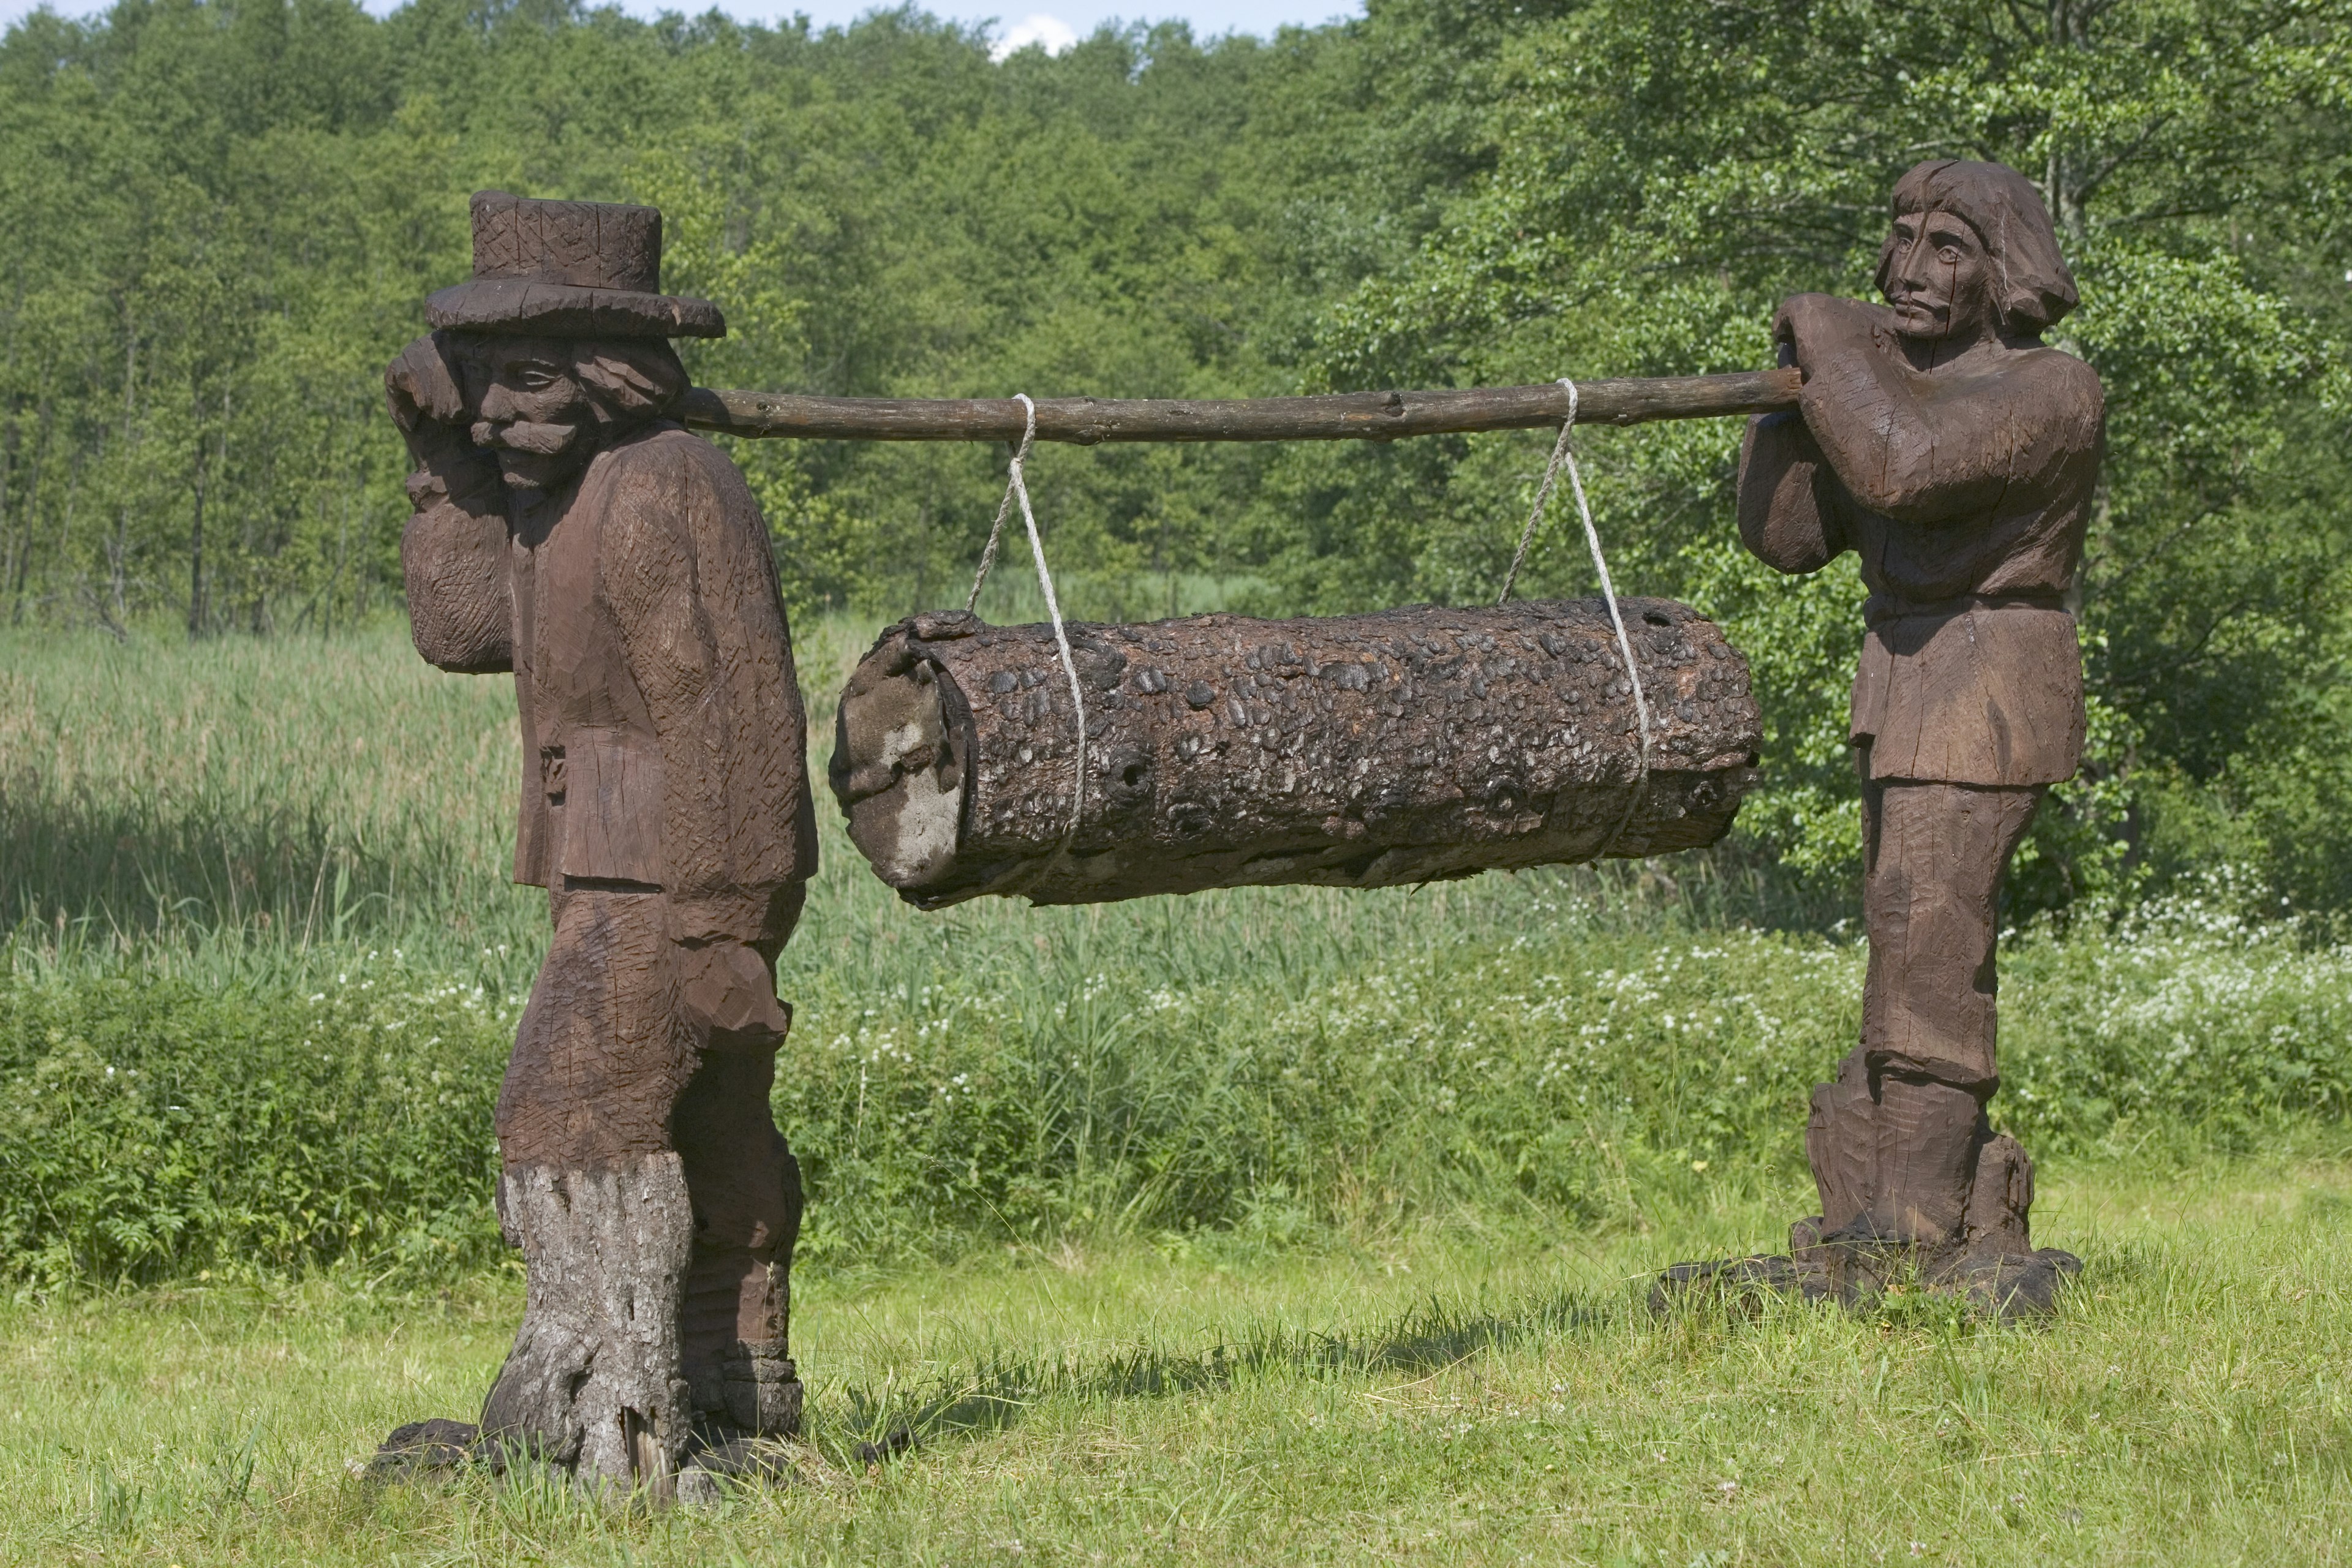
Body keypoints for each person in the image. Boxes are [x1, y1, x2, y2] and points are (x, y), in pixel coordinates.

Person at [388, 192, 815, 1489]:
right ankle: (733, 1402)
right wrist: (443, 467)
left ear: (610, 376)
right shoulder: (555, 498)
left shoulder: (664, 488)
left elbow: (734, 711)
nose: (503, 413)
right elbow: (461, 629)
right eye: (482, 388)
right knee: (694, 1124)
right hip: (619, 866)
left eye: (528, 381)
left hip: (681, 872)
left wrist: (725, 922)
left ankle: (607, 1416)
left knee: (572, 1111)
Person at [1678, 160, 2103, 1314]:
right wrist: (1792, 399)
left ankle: (1911, 1229)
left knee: (1929, 935)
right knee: (1902, 927)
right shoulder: (1890, 389)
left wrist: (1829, 340)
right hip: (1909, 676)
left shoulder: (2049, 389)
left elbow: (1902, 468)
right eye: (1903, 238)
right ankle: (1888, 1204)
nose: (1911, 266)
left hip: (1986, 684)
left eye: (1949, 246)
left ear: (2003, 267)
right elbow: (1791, 537)